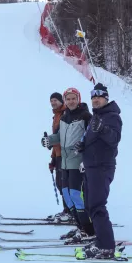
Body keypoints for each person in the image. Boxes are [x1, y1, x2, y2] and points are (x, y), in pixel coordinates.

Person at [74, 83, 122, 259]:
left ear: (106, 98)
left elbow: (114, 139)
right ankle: (100, 239)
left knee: (97, 205)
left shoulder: (112, 117)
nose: (95, 100)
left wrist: (103, 129)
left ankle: (106, 246)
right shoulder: (97, 116)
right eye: (93, 97)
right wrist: (83, 146)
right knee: (89, 204)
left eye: (99, 97)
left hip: (102, 167)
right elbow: (92, 139)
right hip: (91, 166)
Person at [41, 88, 94, 241]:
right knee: (66, 194)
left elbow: (91, 139)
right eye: (68, 99)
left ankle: (88, 229)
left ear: (78, 99)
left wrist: (86, 159)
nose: (71, 101)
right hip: (64, 161)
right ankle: (79, 226)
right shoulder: (64, 117)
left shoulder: (86, 116)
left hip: (77, 162)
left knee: (76, 195)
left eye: (73, 98)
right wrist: (48, 140)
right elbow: (58, 135)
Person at [46, 92, 71, 221]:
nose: (53, 103)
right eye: (51, 101)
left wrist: (51, 140)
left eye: (55, 100)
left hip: (67, 155)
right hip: (59, 154)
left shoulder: (65, 114)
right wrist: (53, 159)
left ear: (62, 101)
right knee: (60, 184)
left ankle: (71, 212)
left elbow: (63, 136)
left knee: (65, 184)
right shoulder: (56, 116)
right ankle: (67, 210)